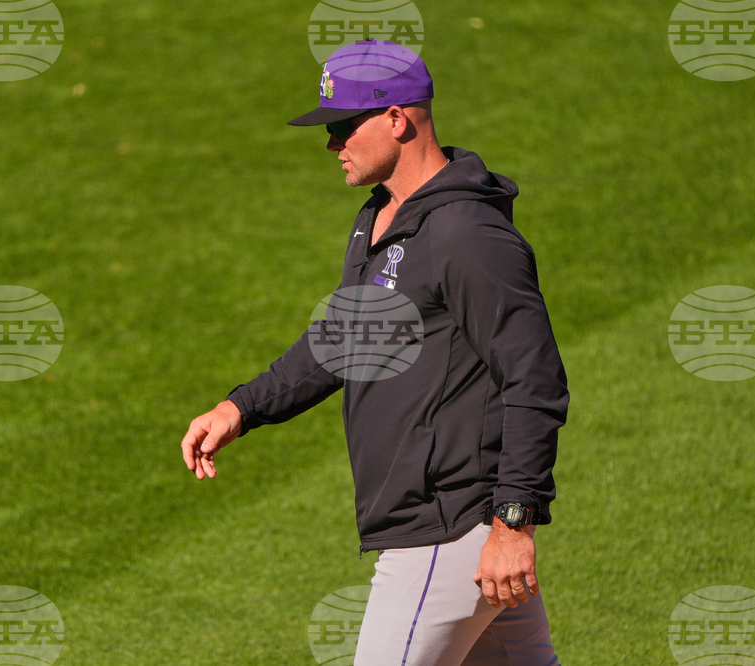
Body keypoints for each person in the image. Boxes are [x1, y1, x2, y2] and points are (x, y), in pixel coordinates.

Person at [181, 40, 569, 666]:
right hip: (447, 523)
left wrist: (513, 524)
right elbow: (346, 337)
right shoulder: (381, 218)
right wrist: (241, 408)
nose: (331, 145)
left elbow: (535, 380)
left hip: (452, 526)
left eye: (341, 126)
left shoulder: (468, 235)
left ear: (397, 119)